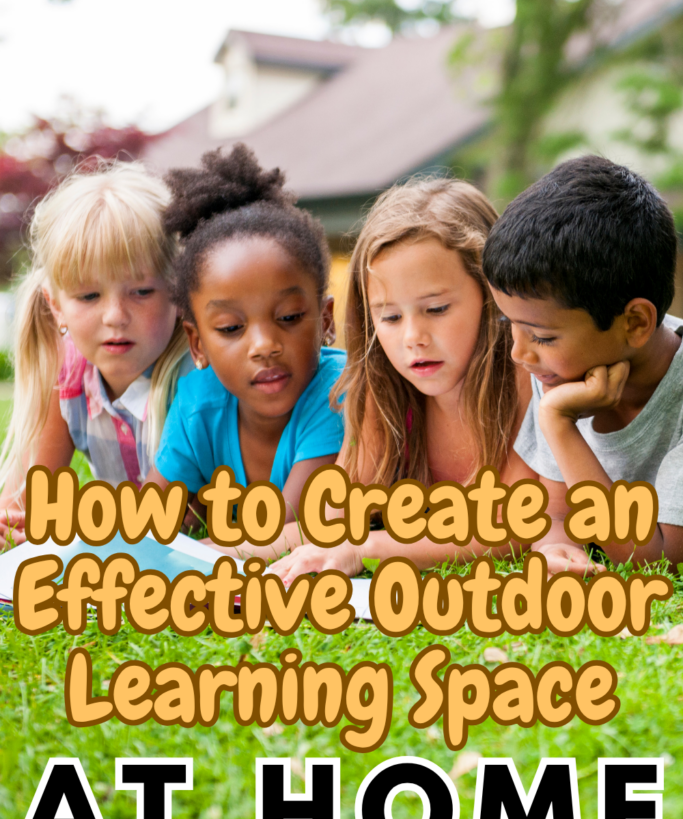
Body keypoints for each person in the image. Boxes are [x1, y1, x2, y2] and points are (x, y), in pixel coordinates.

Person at [255, 177, 595, 580]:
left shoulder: (533, 380)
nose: (413, 338)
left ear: (493, 299)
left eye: (435, 309)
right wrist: (218, 550)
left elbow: (513, 529)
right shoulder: (385, 391)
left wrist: (367, 549)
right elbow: (333, 522)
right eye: (391, 316)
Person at [483, 154, 683, 567]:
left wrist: (559, 424)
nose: (520, 354)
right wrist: (557, 547)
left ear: (635, 322)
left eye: (541, 335)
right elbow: (557, 513)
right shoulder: (558, 369)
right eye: (511, 324)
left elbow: (660, 558)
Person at [145, 145, 345, 522]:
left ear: (326, 320)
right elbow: (143, 519)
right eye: (231, 328)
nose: (264, 346)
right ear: (197, 343)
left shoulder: (339, 393)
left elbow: (290, 527)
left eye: (289, 317)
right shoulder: (196, 406)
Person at [0, 161, 189, 548]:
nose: (115, 316)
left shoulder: (196, 377)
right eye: (89, 296)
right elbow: (31, 500)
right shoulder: (69, 377)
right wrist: (15, 523)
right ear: (56, 307)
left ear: (180, 292)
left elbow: (171, 517)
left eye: (142, 291)